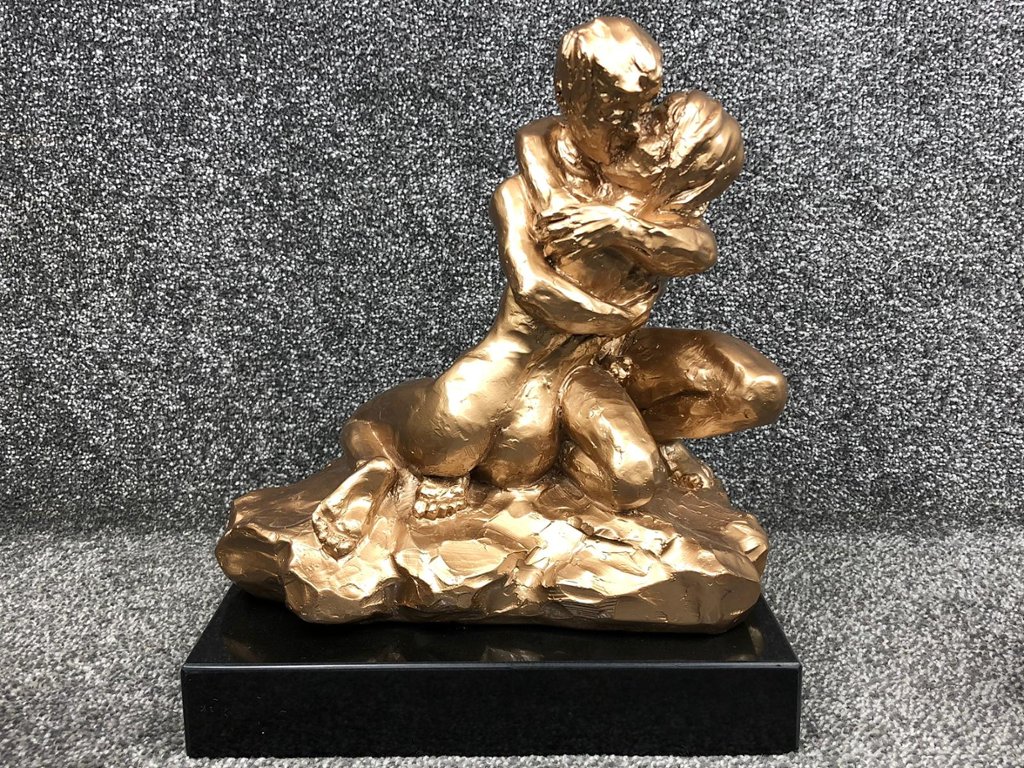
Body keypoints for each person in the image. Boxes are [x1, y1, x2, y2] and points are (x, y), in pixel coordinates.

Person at [312, 17, 786, 558]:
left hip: (588, 370)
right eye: (620, 115)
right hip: (524, 361)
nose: (635, 131)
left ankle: (626, 458)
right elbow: (534, 285)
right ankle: (381, 470)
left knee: (638, 469)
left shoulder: (657, 204)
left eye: (646, 116)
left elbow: (699, 249)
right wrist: (617, 316)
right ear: (574, 100)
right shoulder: (530, 184)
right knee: (444, 446)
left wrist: (618, 228)